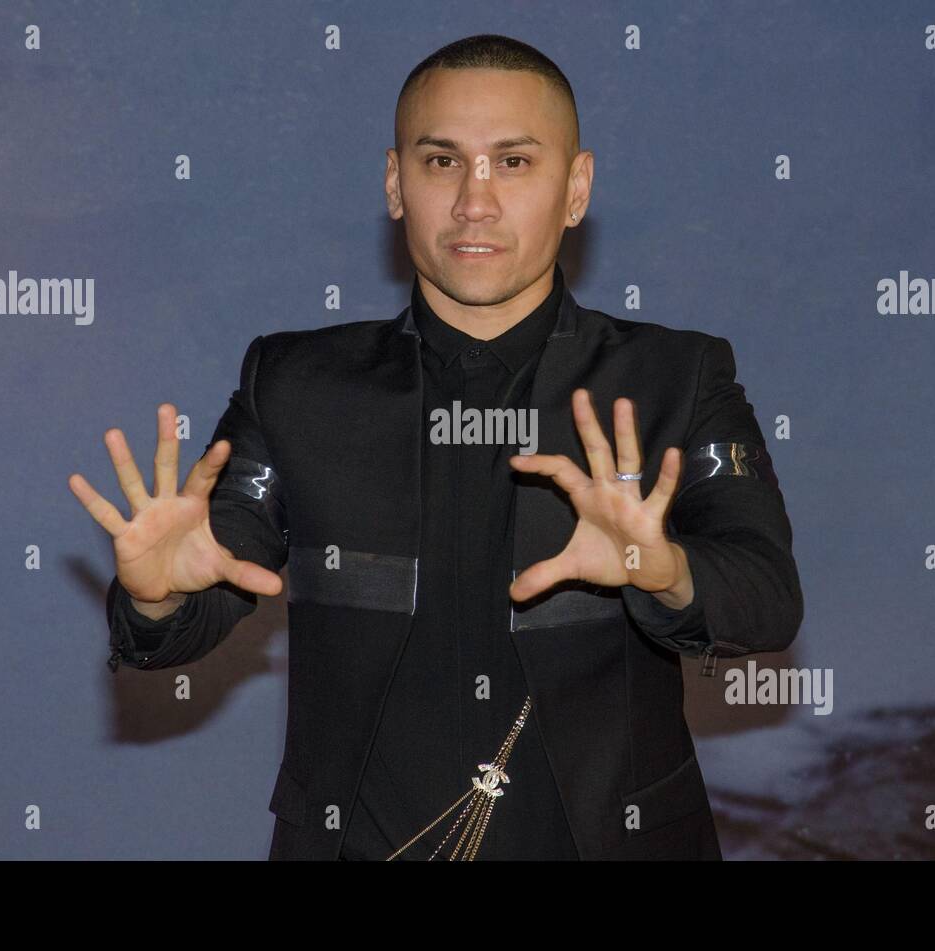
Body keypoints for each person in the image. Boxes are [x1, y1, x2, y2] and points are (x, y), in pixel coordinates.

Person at [68, 34, 803, 860]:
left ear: (576, 188)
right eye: (442, 162)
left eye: (515, 163)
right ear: (395, 184)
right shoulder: (297, 382)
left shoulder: (673, 375)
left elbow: (769, 599)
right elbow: (200, 591)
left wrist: (663, 571)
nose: (474, 203)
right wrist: (159, 598)